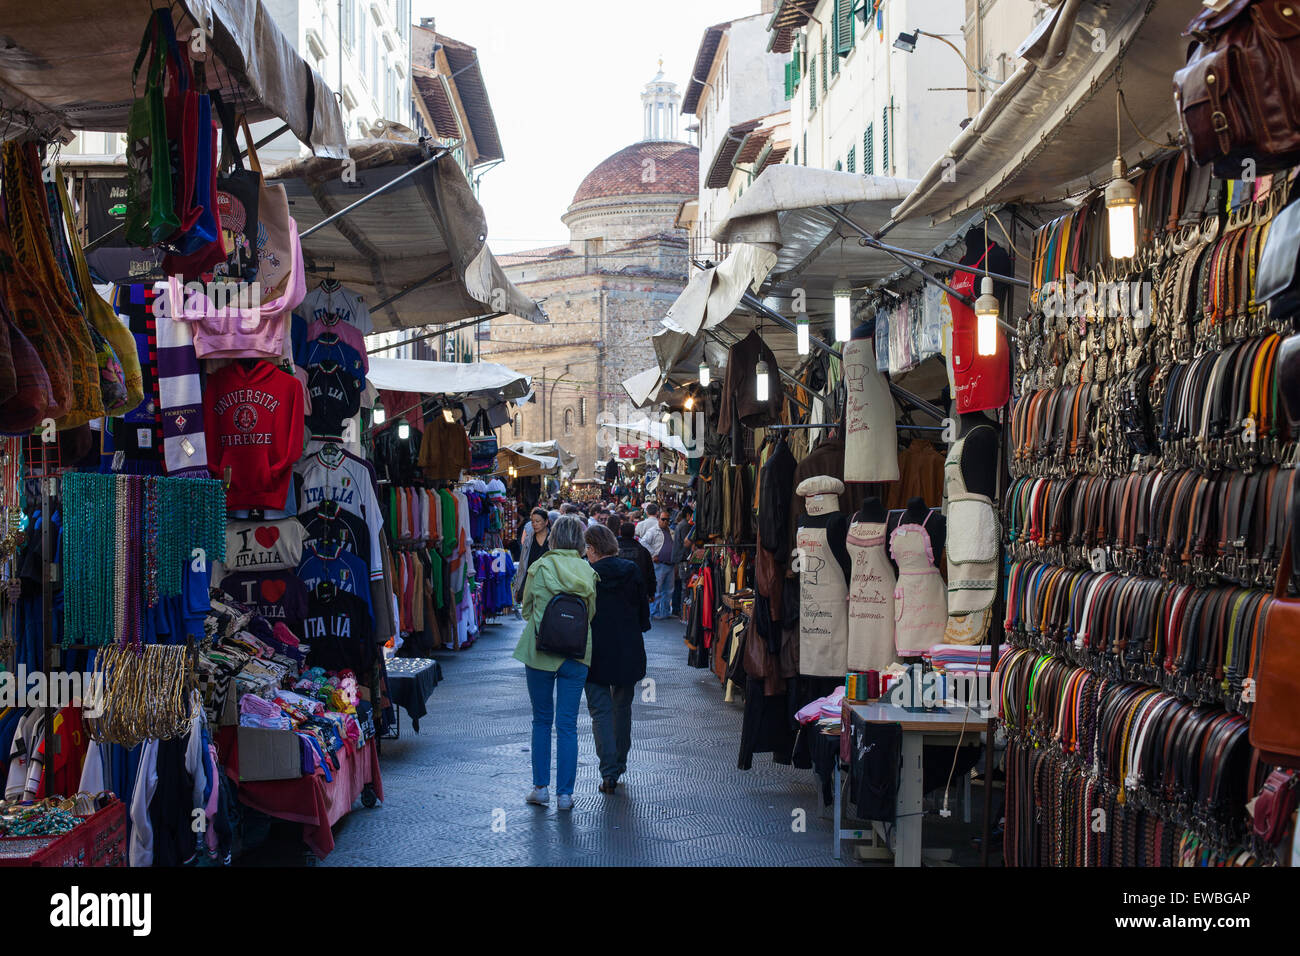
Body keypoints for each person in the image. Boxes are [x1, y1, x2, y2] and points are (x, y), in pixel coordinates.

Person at [513, 516, 597, 811]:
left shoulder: (540, 567)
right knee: (568, 725)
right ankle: (565, 795)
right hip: (576, 654)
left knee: (541, 720)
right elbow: (591, 614)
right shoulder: (588, 571)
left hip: (540, 652)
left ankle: (540, 788)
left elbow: (526, 610)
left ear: (554, 538)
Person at [582, 524, 648, 793]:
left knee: (600, 712)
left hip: (595, 651)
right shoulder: (631, 570)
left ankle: (608, 771)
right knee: (622, 708)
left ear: (594, 549)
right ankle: (619, 764)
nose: (585, 552)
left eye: (587, 547)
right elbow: (643, 615)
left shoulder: (588, 574)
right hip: (627, 649)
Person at [514, 508, 551, 609]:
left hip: (547, 584)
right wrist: (518, 587)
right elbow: (522, 564)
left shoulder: (553, 540)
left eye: (537, 521)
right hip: (530, 582)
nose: (534, 524)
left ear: (546, 522)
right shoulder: (529, 540)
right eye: (532, 521)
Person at [617, 520, 656, 600]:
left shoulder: (614, 550)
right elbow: (650, 573)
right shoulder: (642, 550)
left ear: (620, 532)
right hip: (638, 591)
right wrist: (651, 592)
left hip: (619, 591)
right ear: (633, 533)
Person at [651, 512, 676, 620]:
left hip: (670, 564)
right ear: (659, 519)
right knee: (658, 590)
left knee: (668, 590)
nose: (665, 522)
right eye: (663, 519)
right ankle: (654, 612)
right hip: (659, 564)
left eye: (667, 520)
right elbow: (643, 542)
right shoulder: (653, 531)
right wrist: (653, 554)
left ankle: (665, 612)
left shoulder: (671, 532)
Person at [670, 505, 694, 616]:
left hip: (680, 558)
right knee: (684, 585)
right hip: (683, 559)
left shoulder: (681, 525)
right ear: (688, 515)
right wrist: (689, 557)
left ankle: (678, 609)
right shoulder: (685, 526)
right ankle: (682, 611)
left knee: (680, 584)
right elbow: (686, 544)